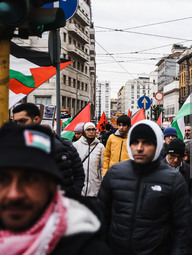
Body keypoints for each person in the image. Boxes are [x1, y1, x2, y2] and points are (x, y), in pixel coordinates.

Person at [0, 123, 111, 255]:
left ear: (51, 186)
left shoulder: (88, 249)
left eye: (30, 180)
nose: (14, 194)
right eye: (3, 179)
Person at [97, 120, 190, 254]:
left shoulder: (174, 180)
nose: (139, 148)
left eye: (146, 143)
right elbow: (101, 219)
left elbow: (182, 230)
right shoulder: (115, 173)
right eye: (135, 142)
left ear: (157, 145)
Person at [12, 103, 84, 197]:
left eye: (23, 121)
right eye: (15, 122)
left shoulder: (59, 147)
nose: (19, 126)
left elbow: (77, 177)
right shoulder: (13, 148)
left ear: (36, 119)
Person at [73, 122, 105, 198]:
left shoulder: (100, 147)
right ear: (84, 131)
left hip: (95, 187)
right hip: (80, 187)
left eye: (93, 129)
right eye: (88, 129)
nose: (91, 132)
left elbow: (102, 167)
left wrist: (102, 183)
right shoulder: (76, 145)